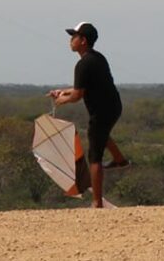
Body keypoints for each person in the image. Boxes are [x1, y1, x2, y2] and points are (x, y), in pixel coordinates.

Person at [48, 22, 127, 208]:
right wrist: (63, 92)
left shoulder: (83, 64)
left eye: (73, 36)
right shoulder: (97, 58)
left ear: (83, 40)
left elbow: (77, 95)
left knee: (94, 156)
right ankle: (119, 160)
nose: (70, 40)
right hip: (114, 106)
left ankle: (97, 202)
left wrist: (62, 100)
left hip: (102, 110)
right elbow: (80, 89)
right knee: (101, 134)